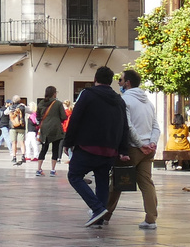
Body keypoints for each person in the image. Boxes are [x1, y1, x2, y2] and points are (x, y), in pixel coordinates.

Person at [66, 66, 128, 227]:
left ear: (95, 79)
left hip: (88, 146)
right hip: (110, 149)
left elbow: (75, 118)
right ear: (110, 81)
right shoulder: (119, 99)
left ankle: (97, 208)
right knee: (101, 181)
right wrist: (123, 150)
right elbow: (124, 125)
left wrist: (68, 142)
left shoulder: (88, 94)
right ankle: (99, 218)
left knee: (74, 175)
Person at [106, 69, 160, 230]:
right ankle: (151, 219)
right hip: (148, 151)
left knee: (117, 181)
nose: (119, 83)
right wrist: (151, 143)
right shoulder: (148, 102)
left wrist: (139, 144)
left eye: (121, 80)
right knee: (146, 183)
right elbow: (156, 126)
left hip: (132, 148)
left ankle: (103, 214)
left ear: (127, 82)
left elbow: (127, 126)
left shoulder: (125, 100)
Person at [34, 86, 67, 176]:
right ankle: (52, 170)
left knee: (44, 148)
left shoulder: (41, 103)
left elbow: (37, 116)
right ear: (54, 93)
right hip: (55, 128)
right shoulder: (58, 103)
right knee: (55, 149)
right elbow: (64, 116)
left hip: (44, 128)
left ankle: (39, 169)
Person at [4, 97, 29, 166]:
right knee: (22, 142)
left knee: (14, 142)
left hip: (12, 126)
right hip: (21, 126)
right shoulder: (22, 107)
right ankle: (23, 156)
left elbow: (5, 113)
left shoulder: (10, 107)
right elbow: (30, 111)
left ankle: (14, 157)